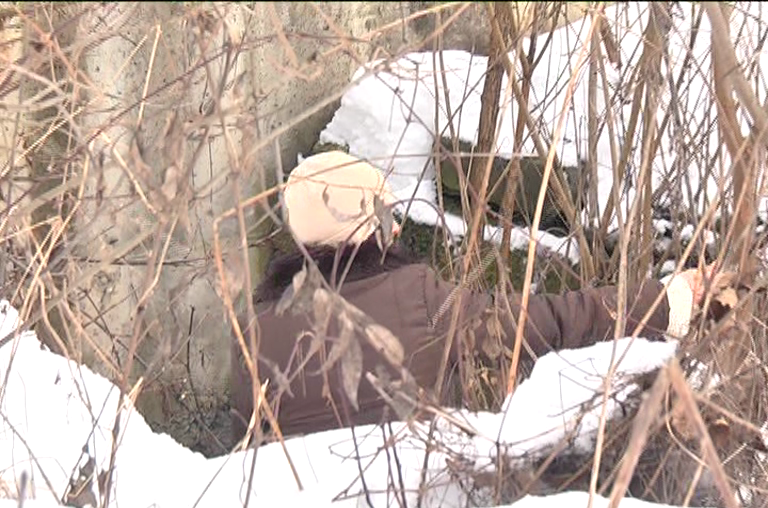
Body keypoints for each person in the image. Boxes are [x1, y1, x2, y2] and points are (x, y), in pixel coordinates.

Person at [230, 151, 711, 445]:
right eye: (384, 214)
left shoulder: (252, 334)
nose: (395, 228)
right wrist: (668, 302)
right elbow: (550, 321)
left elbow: (247, 461)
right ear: (362, 223)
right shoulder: (416, 297)